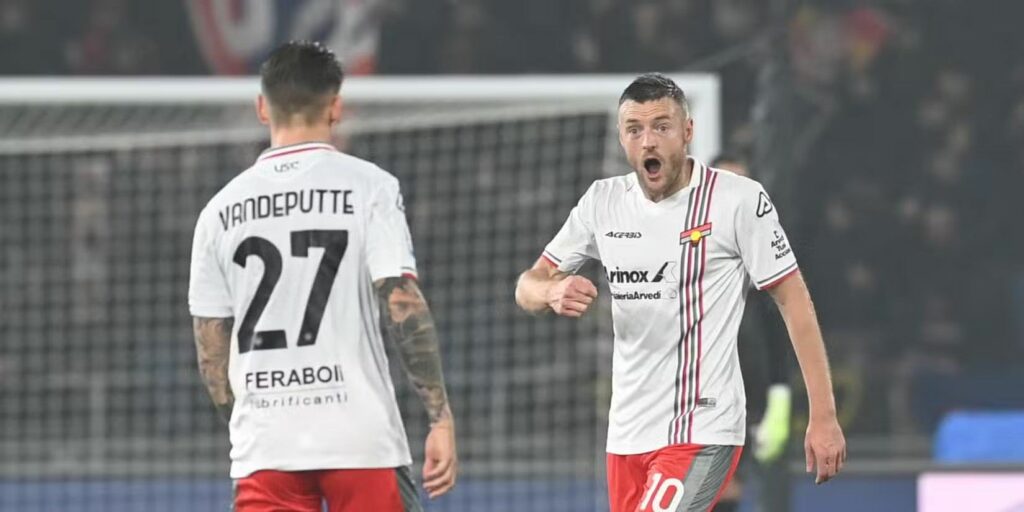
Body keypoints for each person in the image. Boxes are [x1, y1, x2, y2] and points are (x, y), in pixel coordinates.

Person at [514, 73, 845, 512]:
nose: (648, 141)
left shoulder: (737, 200)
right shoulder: (602, 202)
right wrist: (551, 292)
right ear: (622, 138)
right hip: (627, 433)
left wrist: (823, 415)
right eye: (635, 129)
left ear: (687, 131)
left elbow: (793, 299)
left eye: (661, 126)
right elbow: (527, 285)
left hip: (702, 427)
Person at [187, 41, 457, 512]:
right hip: (360, 435)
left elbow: (211, 350)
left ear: (261, 108)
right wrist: (440, 416)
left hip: (267, 444)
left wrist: (251, 423)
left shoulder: (219, 212)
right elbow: (401, 301)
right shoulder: (370, 186)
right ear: (336, 107)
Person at [711, 154, 793, 512]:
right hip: (687, 405)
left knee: (734, 491)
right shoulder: (679, 251)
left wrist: (780, 399)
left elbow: (781, 331)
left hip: (749, 408)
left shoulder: (767, 255)